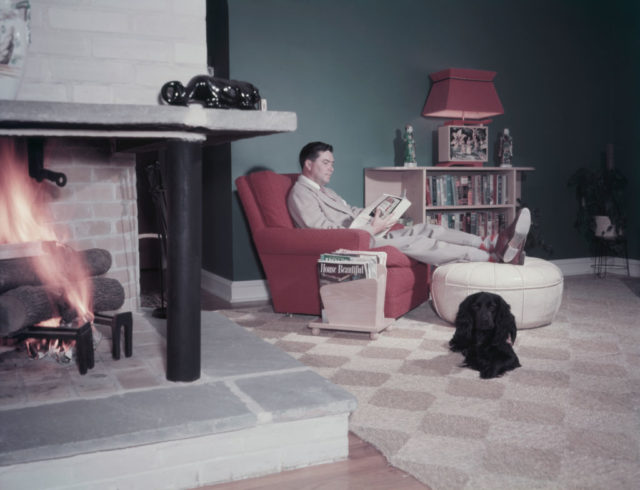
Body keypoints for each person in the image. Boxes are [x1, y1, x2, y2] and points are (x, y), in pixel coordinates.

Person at [287, 141, 530, 267]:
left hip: (366, 232)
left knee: (427, 227)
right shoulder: (301, 193)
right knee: (419, 240)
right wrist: (368, 229)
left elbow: (350, 211)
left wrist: (376, 213)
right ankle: (490, 258)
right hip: (352, 244)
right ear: (308, 164)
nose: (332, 167)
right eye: (326, 163)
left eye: (332, 163)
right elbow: (321, 232)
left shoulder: (325, 191)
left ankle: (489, 243)